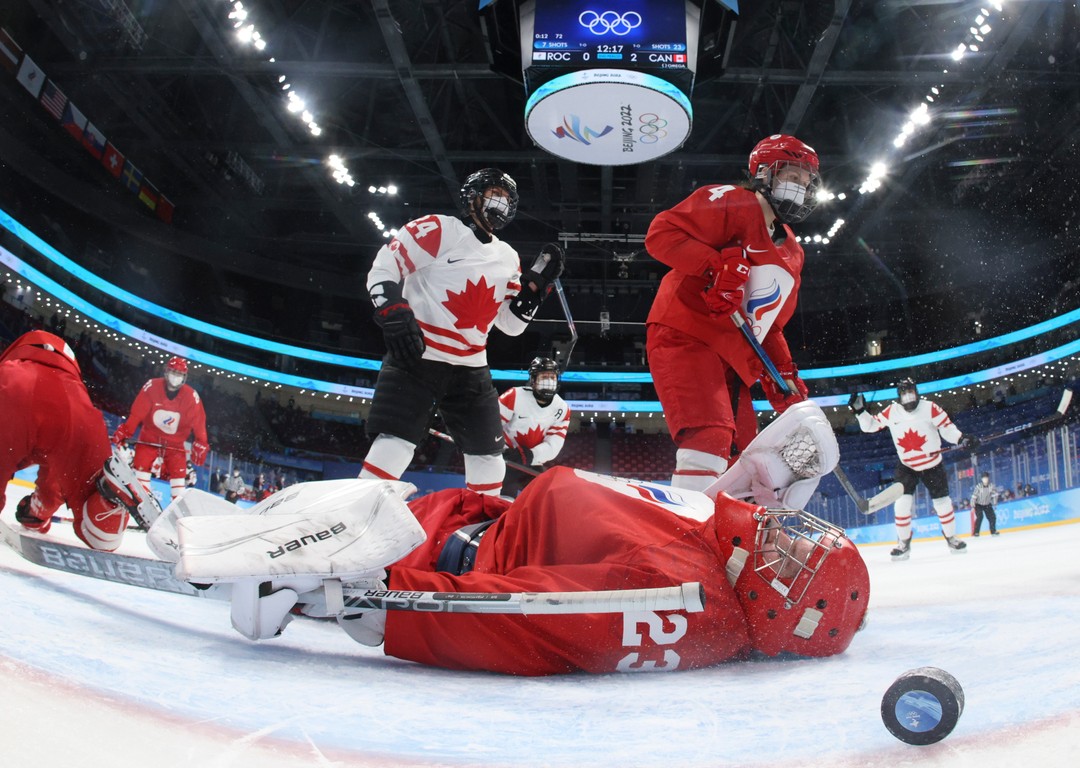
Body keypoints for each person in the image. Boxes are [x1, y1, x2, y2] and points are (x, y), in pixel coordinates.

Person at [171, 400, 868, 675]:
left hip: (427, 551)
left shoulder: (690, 604)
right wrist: (770, 467)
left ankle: (243, 557)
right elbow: (773, 455)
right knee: (320, 505)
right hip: (474, 516)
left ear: (781, 607)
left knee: (337, 507)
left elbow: (528, 617)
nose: (790, 535)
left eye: (798, 558)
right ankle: (239, 536)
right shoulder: (725, 544)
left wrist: (367, 601)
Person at [360, 168, 564, 496]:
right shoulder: (439, 228)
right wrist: (392, 311)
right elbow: (384, 267)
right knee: (394, 448)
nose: (501, 202)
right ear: (472, 197)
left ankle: (479, 532)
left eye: (507, 198)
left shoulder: (508, 256)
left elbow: (511, 326)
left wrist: (534, 291)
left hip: (471, 370)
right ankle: (353, 518)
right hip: (417, 358)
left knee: (489, 462)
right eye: (494, 193)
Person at [644, 134, 821, 490]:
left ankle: (729, 538)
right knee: (709, 438)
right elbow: (661, 234)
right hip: (687, 333)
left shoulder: (794, 254)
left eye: (806, 182)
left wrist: (783, 376)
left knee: (744, 453)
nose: (799, 188)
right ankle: (689, 535)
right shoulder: (733, 202)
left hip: (735, 358)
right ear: (764, 173)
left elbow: (769, 327)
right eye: (792, 175)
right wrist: (716, 266)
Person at [0, 331, 152, 550]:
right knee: (96, 522)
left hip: (12, 384)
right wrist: (36, 514)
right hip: (73, 401)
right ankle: (107, 502)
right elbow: (52, 487)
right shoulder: (72, 385)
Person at [849, 378, 978, 559]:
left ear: (917, 392)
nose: (908, 397)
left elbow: (947, 428)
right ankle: (903, 544)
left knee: (943, 503)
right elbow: (871, 426)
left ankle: (951, 538)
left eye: (911, 392)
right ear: (899, 396)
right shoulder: (892, 411)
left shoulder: (930, 408)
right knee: (901, 505)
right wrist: (860, 412)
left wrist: (961, 438)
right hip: (907, 466)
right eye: (904, 393)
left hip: (932, 464)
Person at [112, 356, 209, 500]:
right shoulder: (152, 386)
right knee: (141, 466)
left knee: (178, 475)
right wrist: (127, 430)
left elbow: (199, 422)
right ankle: (142, 499)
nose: (175, 377)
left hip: (175, 444)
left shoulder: (191, 396)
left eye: (179, 374)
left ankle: (177, 509)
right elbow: (137, 413)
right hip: (149, 438)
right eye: (173, 372)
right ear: (166, 371)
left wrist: (201, 441)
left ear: (184, 377)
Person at [499, 356, 571, 495]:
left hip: (532, 461)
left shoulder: (562, 409)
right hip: (505, 460)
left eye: (552, 377)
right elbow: (492, 425)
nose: (549, 381)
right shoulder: (513, 396)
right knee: (502, 502)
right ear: (533, 380)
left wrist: (530, 455)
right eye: (544, 376)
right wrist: (502, 450)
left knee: (544, 499)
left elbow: (553, 444)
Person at [970, 471, 999, 537]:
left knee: (992, 517)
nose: (985, 479)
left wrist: (994, 504)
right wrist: (972, 506)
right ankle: (976, 532)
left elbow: (995, 495)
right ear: (982, 479)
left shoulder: (991, 486)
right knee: (980, 517)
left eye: (986, 478)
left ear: (988, 478)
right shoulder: (978, 487)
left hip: (987, 504)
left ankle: (993, 531)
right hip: (978, 504)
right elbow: (974, 496)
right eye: (983, 478)